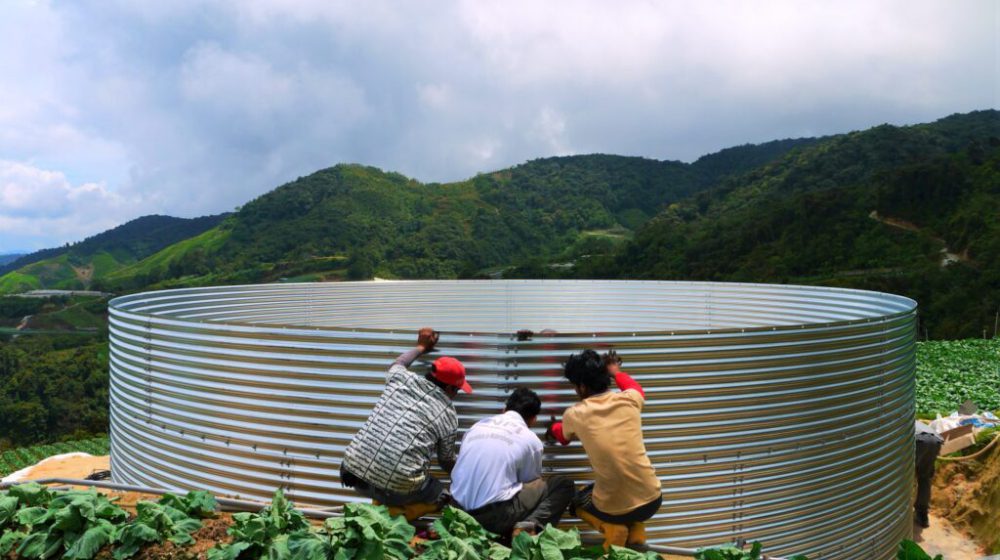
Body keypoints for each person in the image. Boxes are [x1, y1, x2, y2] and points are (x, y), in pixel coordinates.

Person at [340, 327, 471, 521]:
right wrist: (467, 475)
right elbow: (445, 460)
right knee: (439, 494)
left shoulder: (401, 378)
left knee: (387, 478)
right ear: (451, 388)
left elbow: (400, 362)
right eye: (457, 390)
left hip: (351, 474)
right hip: (396, 491)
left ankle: (379, 507)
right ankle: (396, 515)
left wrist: (421, 346)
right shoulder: (448, 415)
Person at [547, 349, 661, 549]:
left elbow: (561, 436)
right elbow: (635, 387)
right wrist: (615, 371)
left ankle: (612, 530)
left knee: (579, 500)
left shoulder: (576, 414)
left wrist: (551, 429)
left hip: (613, 509)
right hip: (652, 499)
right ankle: (636, 532)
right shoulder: (630, 399)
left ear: (581, 387)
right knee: (626, 488)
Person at [451, 387, 575, 537]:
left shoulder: (476, 427)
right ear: (533, 419)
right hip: (494, 518)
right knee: (563, 484)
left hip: (457, 512)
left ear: (505, 409)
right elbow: (529, 482)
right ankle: (526, 529)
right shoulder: (530, 440)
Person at [914, 421, 943, 528]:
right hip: (936, 440)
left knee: (903, 477)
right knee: (924, 477)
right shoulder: (915, 421)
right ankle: (922, 515)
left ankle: (898, 513)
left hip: (918, 440)